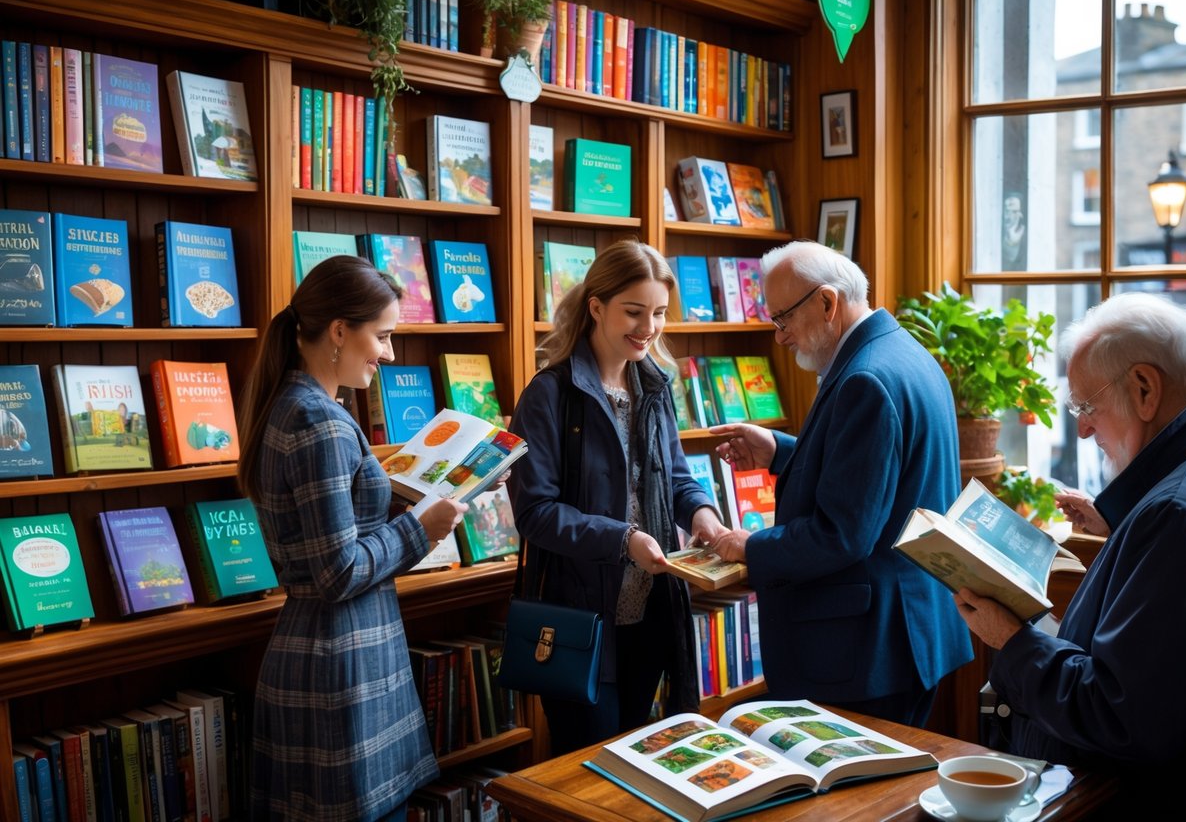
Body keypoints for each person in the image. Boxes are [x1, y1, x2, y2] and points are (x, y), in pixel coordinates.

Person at [954, 293, 1186, 812]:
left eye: (1086, 405)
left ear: (1144, 388)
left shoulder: (1175, 515)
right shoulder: (1182, 488)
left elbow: (1122, 715)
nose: (1083, 428)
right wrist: (1122, 527)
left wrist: (1010, 639)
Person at [236, 256, 465, 822]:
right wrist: (421, 528)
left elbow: (340, 529)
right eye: (382, 336)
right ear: (339, 330)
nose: (388, 354)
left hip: (331, 651)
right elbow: (337, 570)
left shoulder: (296, 406)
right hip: (340, 661)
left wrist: (455, 483)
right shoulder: (320, 421)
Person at [707, 240, 973, 727]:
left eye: (783, 319)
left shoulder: (864, 380)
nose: (781, 338)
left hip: (868, 648)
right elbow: (881, 476)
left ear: (827, 303)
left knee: (860, 804)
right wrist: (782, 450)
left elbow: (843, 533)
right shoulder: (902, 353)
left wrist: (751, 546)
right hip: (906, 629)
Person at [508, 239, 729, 754]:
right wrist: (623, 539)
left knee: (640, 761)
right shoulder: (549, 394)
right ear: (596, 307)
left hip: (650, 614)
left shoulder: (654, 387)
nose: (648, 329)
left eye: (658, 313)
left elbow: (676, 476)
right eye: (634, 312)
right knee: (591, 771)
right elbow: (535, 513)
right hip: (580, 621)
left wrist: (703, 516)